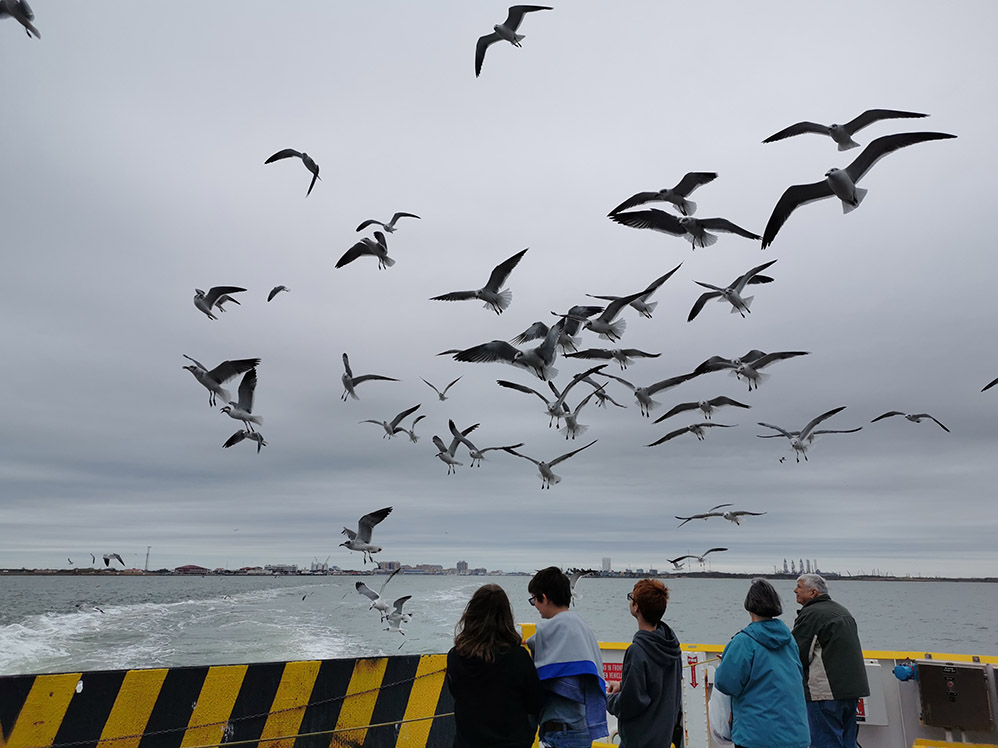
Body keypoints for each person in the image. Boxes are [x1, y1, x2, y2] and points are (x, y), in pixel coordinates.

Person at [713, 578, 810, 748]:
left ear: (749, 606)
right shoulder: (789, 639)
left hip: (756, 735)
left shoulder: (743, 641)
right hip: (795, 734)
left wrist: (726, 664)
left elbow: (726, 684)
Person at [446, 584, 545, 748]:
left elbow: (456, 692)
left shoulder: (455, 656)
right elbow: (535, 703)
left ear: (471, 614)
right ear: (506, 616)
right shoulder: (518, 657)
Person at [526, 566, 608, 748]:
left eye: (534, 600)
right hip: (580, 727)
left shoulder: (555, 628)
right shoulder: (582, 627)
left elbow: (530, 644)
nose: (536, 607)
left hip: (562, 732)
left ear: (544, 598)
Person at [792, 573, 870, 748]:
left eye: (799, 586)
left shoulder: (812, 614)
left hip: (825, 693)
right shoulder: (842, 611)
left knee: (825, 741)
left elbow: (797, 654)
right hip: (851, 691)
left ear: (813, 593)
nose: (795, 590)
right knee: (848, 741)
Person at [605, 579, 683, 748]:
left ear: (636, 607)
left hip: (638, 742)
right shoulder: (672, 647)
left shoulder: (638, 651)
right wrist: (623, 685)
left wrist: (608, 700)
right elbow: (659, 687)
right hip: (662, 740)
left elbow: (630, 704)